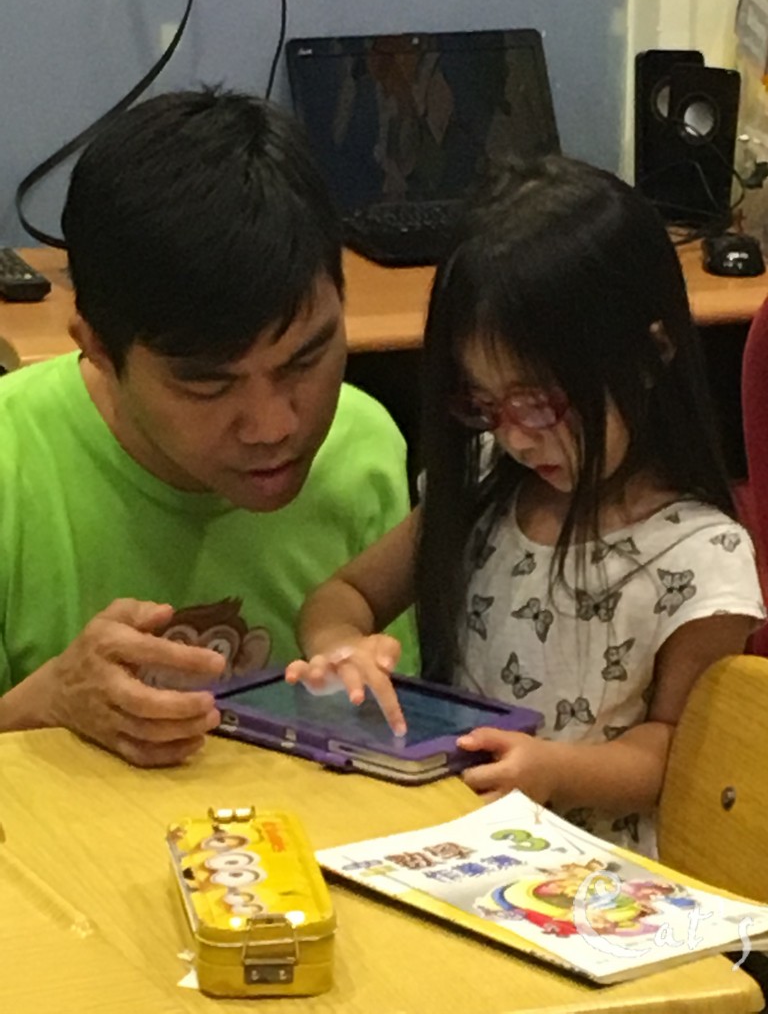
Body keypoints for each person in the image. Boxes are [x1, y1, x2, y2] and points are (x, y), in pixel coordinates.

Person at [286, 154, 765, 854]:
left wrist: (554, 771)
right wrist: (341, 648)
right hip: (458, 846)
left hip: (597, 878)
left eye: (539, 402)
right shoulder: (487, 484)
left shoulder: (700, 557)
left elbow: (677, 750)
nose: (513, 435)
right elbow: (344, 596)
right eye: (484, 403)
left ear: (649, 355)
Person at [0, 88, 418, 766]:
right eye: (208, 385)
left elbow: (398, 735)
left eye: (305, 360)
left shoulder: (364, 448)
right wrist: (42, 706)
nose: (273, 426)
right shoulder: (13, 462)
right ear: (98, 348)